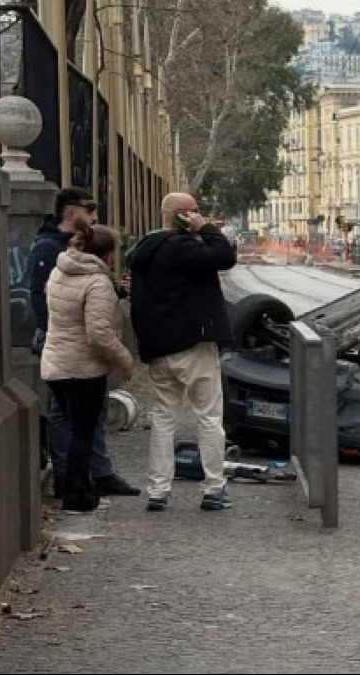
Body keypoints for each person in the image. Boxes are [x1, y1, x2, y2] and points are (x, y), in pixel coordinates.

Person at [28, 187, 139, 499]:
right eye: (89, 209)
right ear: (72, 212)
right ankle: (76, 486)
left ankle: (86, 478)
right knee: (78, 426)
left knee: (77, 423)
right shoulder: (51, 251)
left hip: (59, 355)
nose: (95, 215)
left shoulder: (64, 266)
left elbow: (69, 302)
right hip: (76, 359)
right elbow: (96, 329)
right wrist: (124, 359)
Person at [129, 193, 237, 512]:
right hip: (194, 344)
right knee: (209, 416)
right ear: (182, 215)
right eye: (194, 211)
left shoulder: (144, 250)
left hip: (160, 347)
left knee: (164, 418)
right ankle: (214, 487)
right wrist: (206, 229)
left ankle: (158, 491)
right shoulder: (184, 248)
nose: (199, 215)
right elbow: (224, 256)